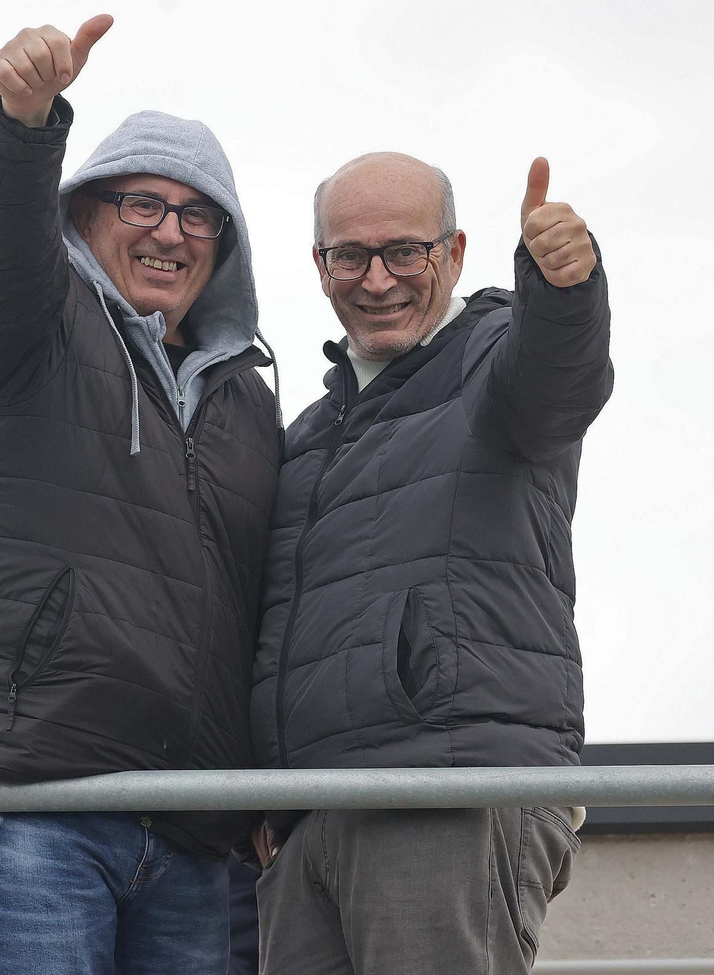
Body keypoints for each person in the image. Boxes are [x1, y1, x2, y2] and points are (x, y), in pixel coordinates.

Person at [0, 14, 281, 975]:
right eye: (140, 203)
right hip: (38, 800)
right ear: (83, 213)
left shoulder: (250, 399)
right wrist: (23, 123)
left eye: (196, 212)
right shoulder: (28, 325)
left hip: (199, 831)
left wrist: (265, 792)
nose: (168, 229)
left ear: (224, 244)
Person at [249, 153, 613, 974]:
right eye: (351, 255)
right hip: (309, 824)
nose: (377, 279)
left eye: (404, 251)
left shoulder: (495, 361)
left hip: (449, 792)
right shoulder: (305, 438)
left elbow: (563, 376)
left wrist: (563, 290)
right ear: (319, 267)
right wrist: (271, 799)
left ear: (453, 254)